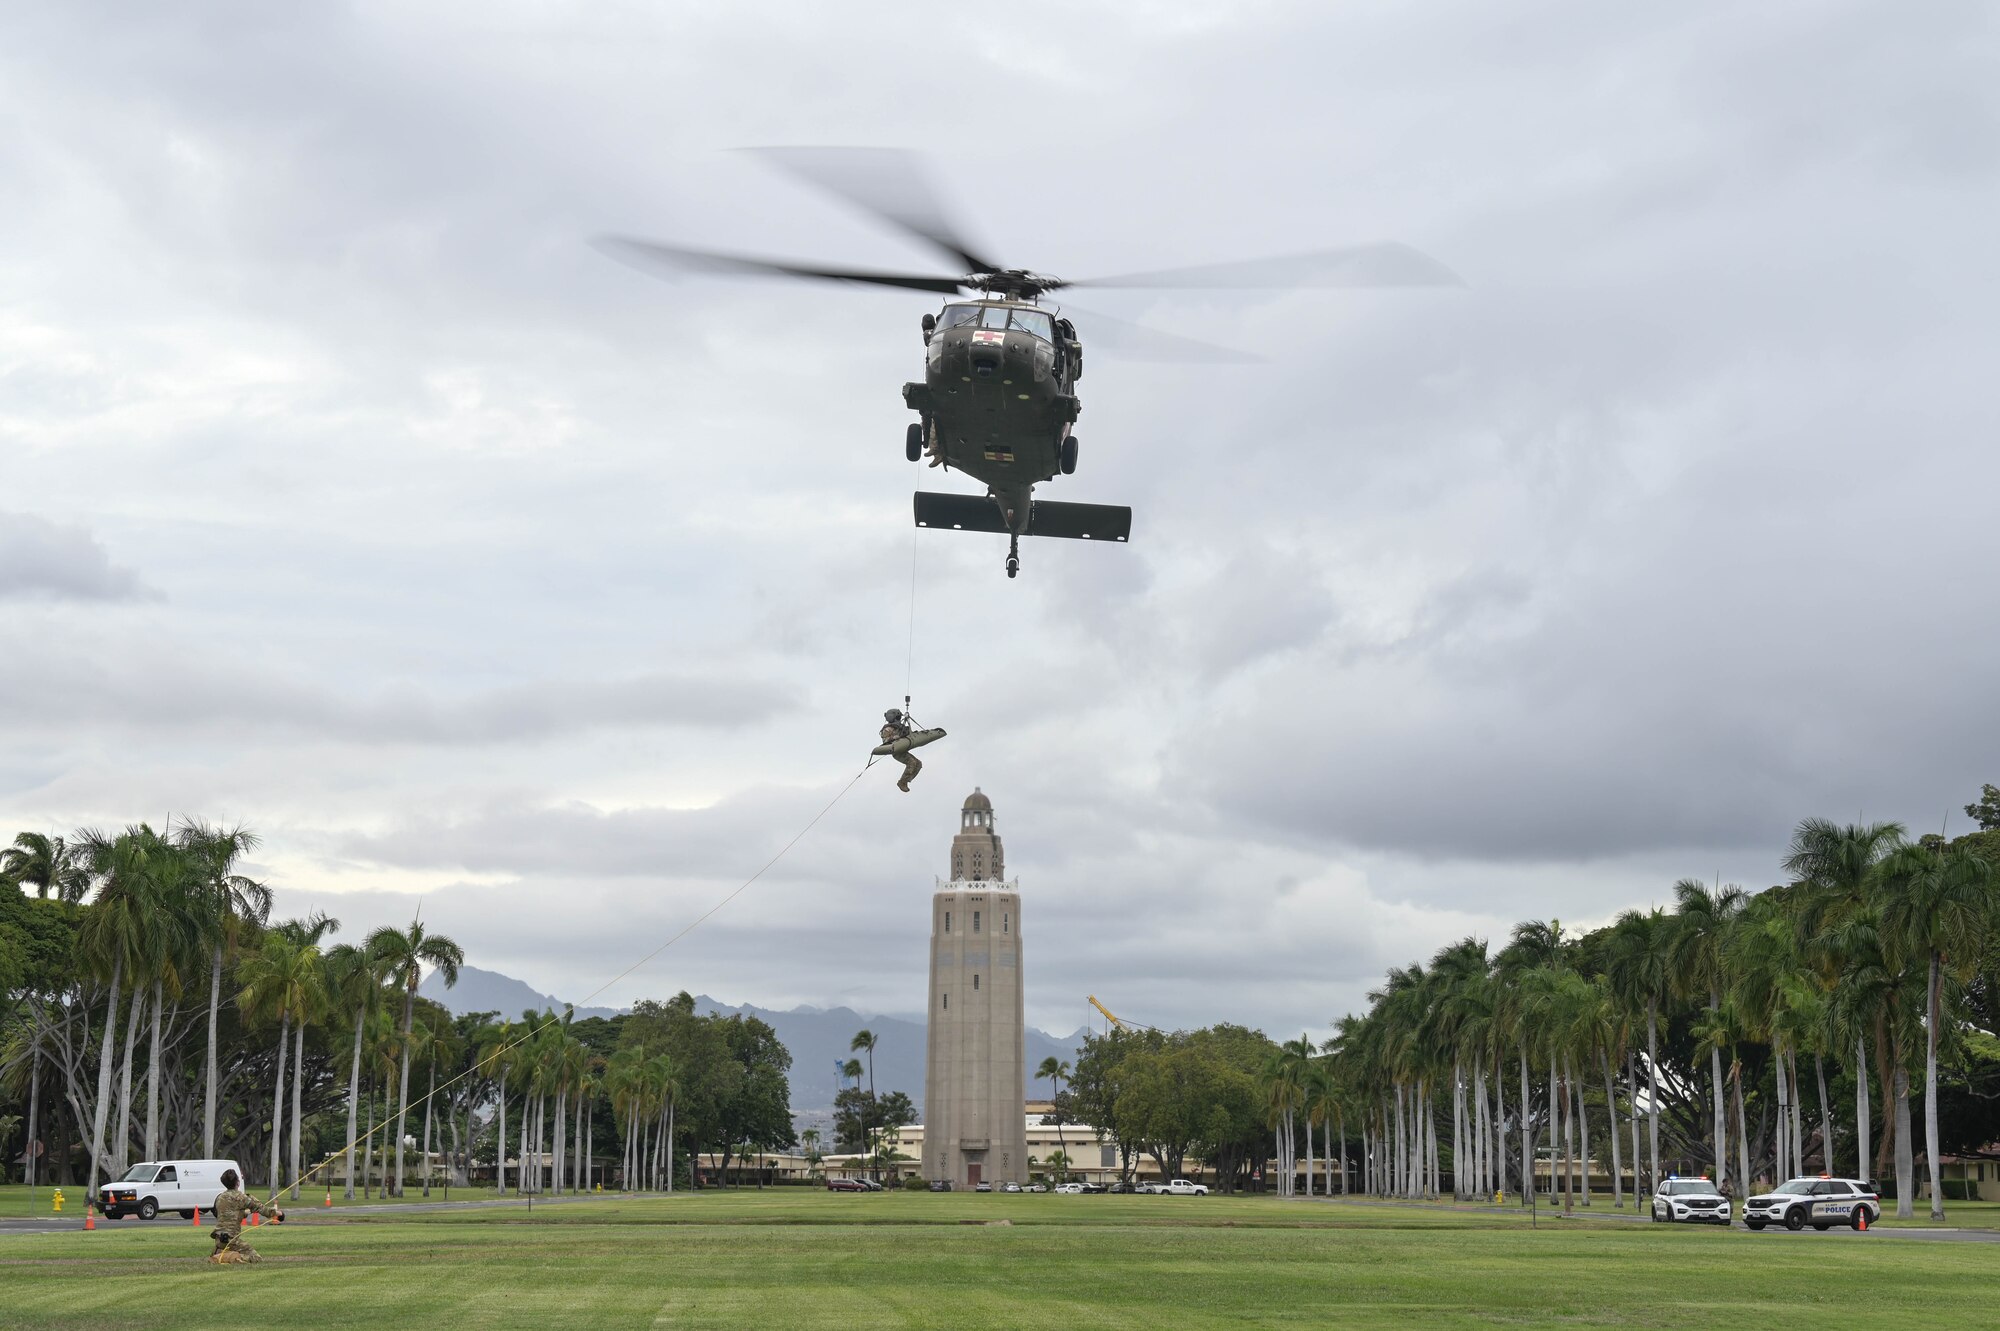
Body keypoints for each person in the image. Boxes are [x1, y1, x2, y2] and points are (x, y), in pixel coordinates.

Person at [207, 1169, 282, 1264]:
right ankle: (224, 1257)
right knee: (256, 1258)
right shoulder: (241, 1197)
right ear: (238, 1183)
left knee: (234, 1250)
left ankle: (219, 1253)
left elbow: (227, 1214)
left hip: (219, 1239)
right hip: (231, 1240)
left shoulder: (220, 1197)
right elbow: (263, 1210)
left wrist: (244, 1213)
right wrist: (278, 1213)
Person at [881, 708, 922, 792]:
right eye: (897, 718)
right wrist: (898, 737)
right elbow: (886, 741)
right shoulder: (887, 729)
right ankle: (902, 782)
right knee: (912, 762)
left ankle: (906, 780)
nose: (899, 720)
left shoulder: (899, 727)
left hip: (903, 749)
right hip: (896, 751)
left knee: (918, 764)